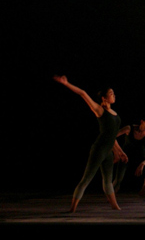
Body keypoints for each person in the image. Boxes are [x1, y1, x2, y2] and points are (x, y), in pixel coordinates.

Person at [53, 75, 127, 212]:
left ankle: (115, 207)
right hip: (99, 150)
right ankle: (72, 208)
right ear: (104, 98)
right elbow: (83, 93)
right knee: (86, 179)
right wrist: (66, 83)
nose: (114, 95)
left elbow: (112, 137)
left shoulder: (114, 113)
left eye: (113, 93)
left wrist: (120, 151)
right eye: (111, 94)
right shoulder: (99, 110)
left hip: (108, 152)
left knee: (108, 181)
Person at [113, 113, 145, 199]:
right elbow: (112, 137)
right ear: (142, 121)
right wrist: (119, 152)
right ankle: (111, 196)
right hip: (126, 156)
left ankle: (143, 191)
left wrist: (143, 164)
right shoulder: (129, 128)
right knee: (118, 179)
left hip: (140, 155)